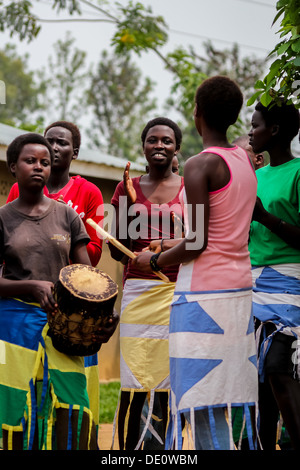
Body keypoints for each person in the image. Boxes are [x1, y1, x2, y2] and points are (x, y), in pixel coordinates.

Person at [133, 76, 258, 450]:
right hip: (238, 291)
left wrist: (154, 260)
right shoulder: (243, 161)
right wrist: (173, 243)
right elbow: (224, 229)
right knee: (221, 399)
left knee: (201, 403)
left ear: (197, 113)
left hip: (203, 296)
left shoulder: (199, 165)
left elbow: (199, 242)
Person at [0, 133, 118, 450]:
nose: (39, 167)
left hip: (63, 324)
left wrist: (107, 316)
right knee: (17, 407)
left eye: (45, 162)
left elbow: (87, 278)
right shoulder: (3, 218)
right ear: (13, 166)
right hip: (12, 326)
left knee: (74, 404)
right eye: (30, 161)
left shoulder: (66, 215)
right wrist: (30, 286)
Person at [108, 117, 184, 450]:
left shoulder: (188, 187)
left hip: (177, 291)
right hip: (138, 292)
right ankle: (127, 453)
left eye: (167, 141)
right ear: (143, 146)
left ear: (176, 148)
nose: (159, 146)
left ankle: (164, 452)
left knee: (167, 383)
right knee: (133, 380)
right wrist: (126, 199)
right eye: (152, 140)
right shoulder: (127, 187)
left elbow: (194, 242)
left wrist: (159, 255)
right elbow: (116, 248)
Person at [248, 99, 300, 450]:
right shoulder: (255, 177)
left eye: (256, 125)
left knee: (280, 366)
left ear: (275, 130)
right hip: (251, 283)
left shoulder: (298, 172)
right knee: (259, 380)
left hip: (289, 283)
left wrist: (265, 217)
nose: (251, 132)